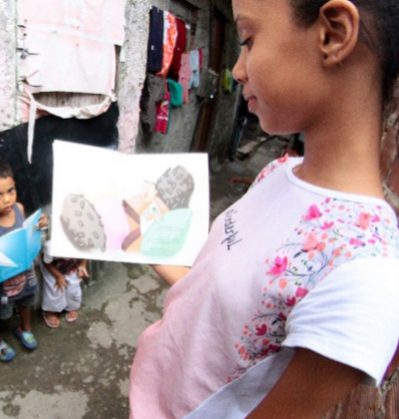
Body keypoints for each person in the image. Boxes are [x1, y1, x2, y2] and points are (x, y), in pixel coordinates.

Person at [129, 0, 399, 417]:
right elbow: (222, 299)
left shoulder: (365, 275)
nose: (237, 69)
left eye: (249, 40)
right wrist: (141, 243)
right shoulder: (280, 171)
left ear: (333, 34)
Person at [0, 157, 48, 362]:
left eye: (11, 191)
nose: (7, 199)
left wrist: (39, 226)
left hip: (25, 271)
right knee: (0, 311)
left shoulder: (19, 209)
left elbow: (25, 233)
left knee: (27, 300)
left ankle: (25, 328)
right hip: (4, 281)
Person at [40, 242, 88, 328]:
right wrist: (58, 276)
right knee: (55, 289)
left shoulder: (81, 238)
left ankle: (72, 306)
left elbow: (86, 252)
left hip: (73, 266)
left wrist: (82, 265)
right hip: (53, 267)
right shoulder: (50, 245)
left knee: (73, 289)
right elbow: (46, 262)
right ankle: (50, 310)